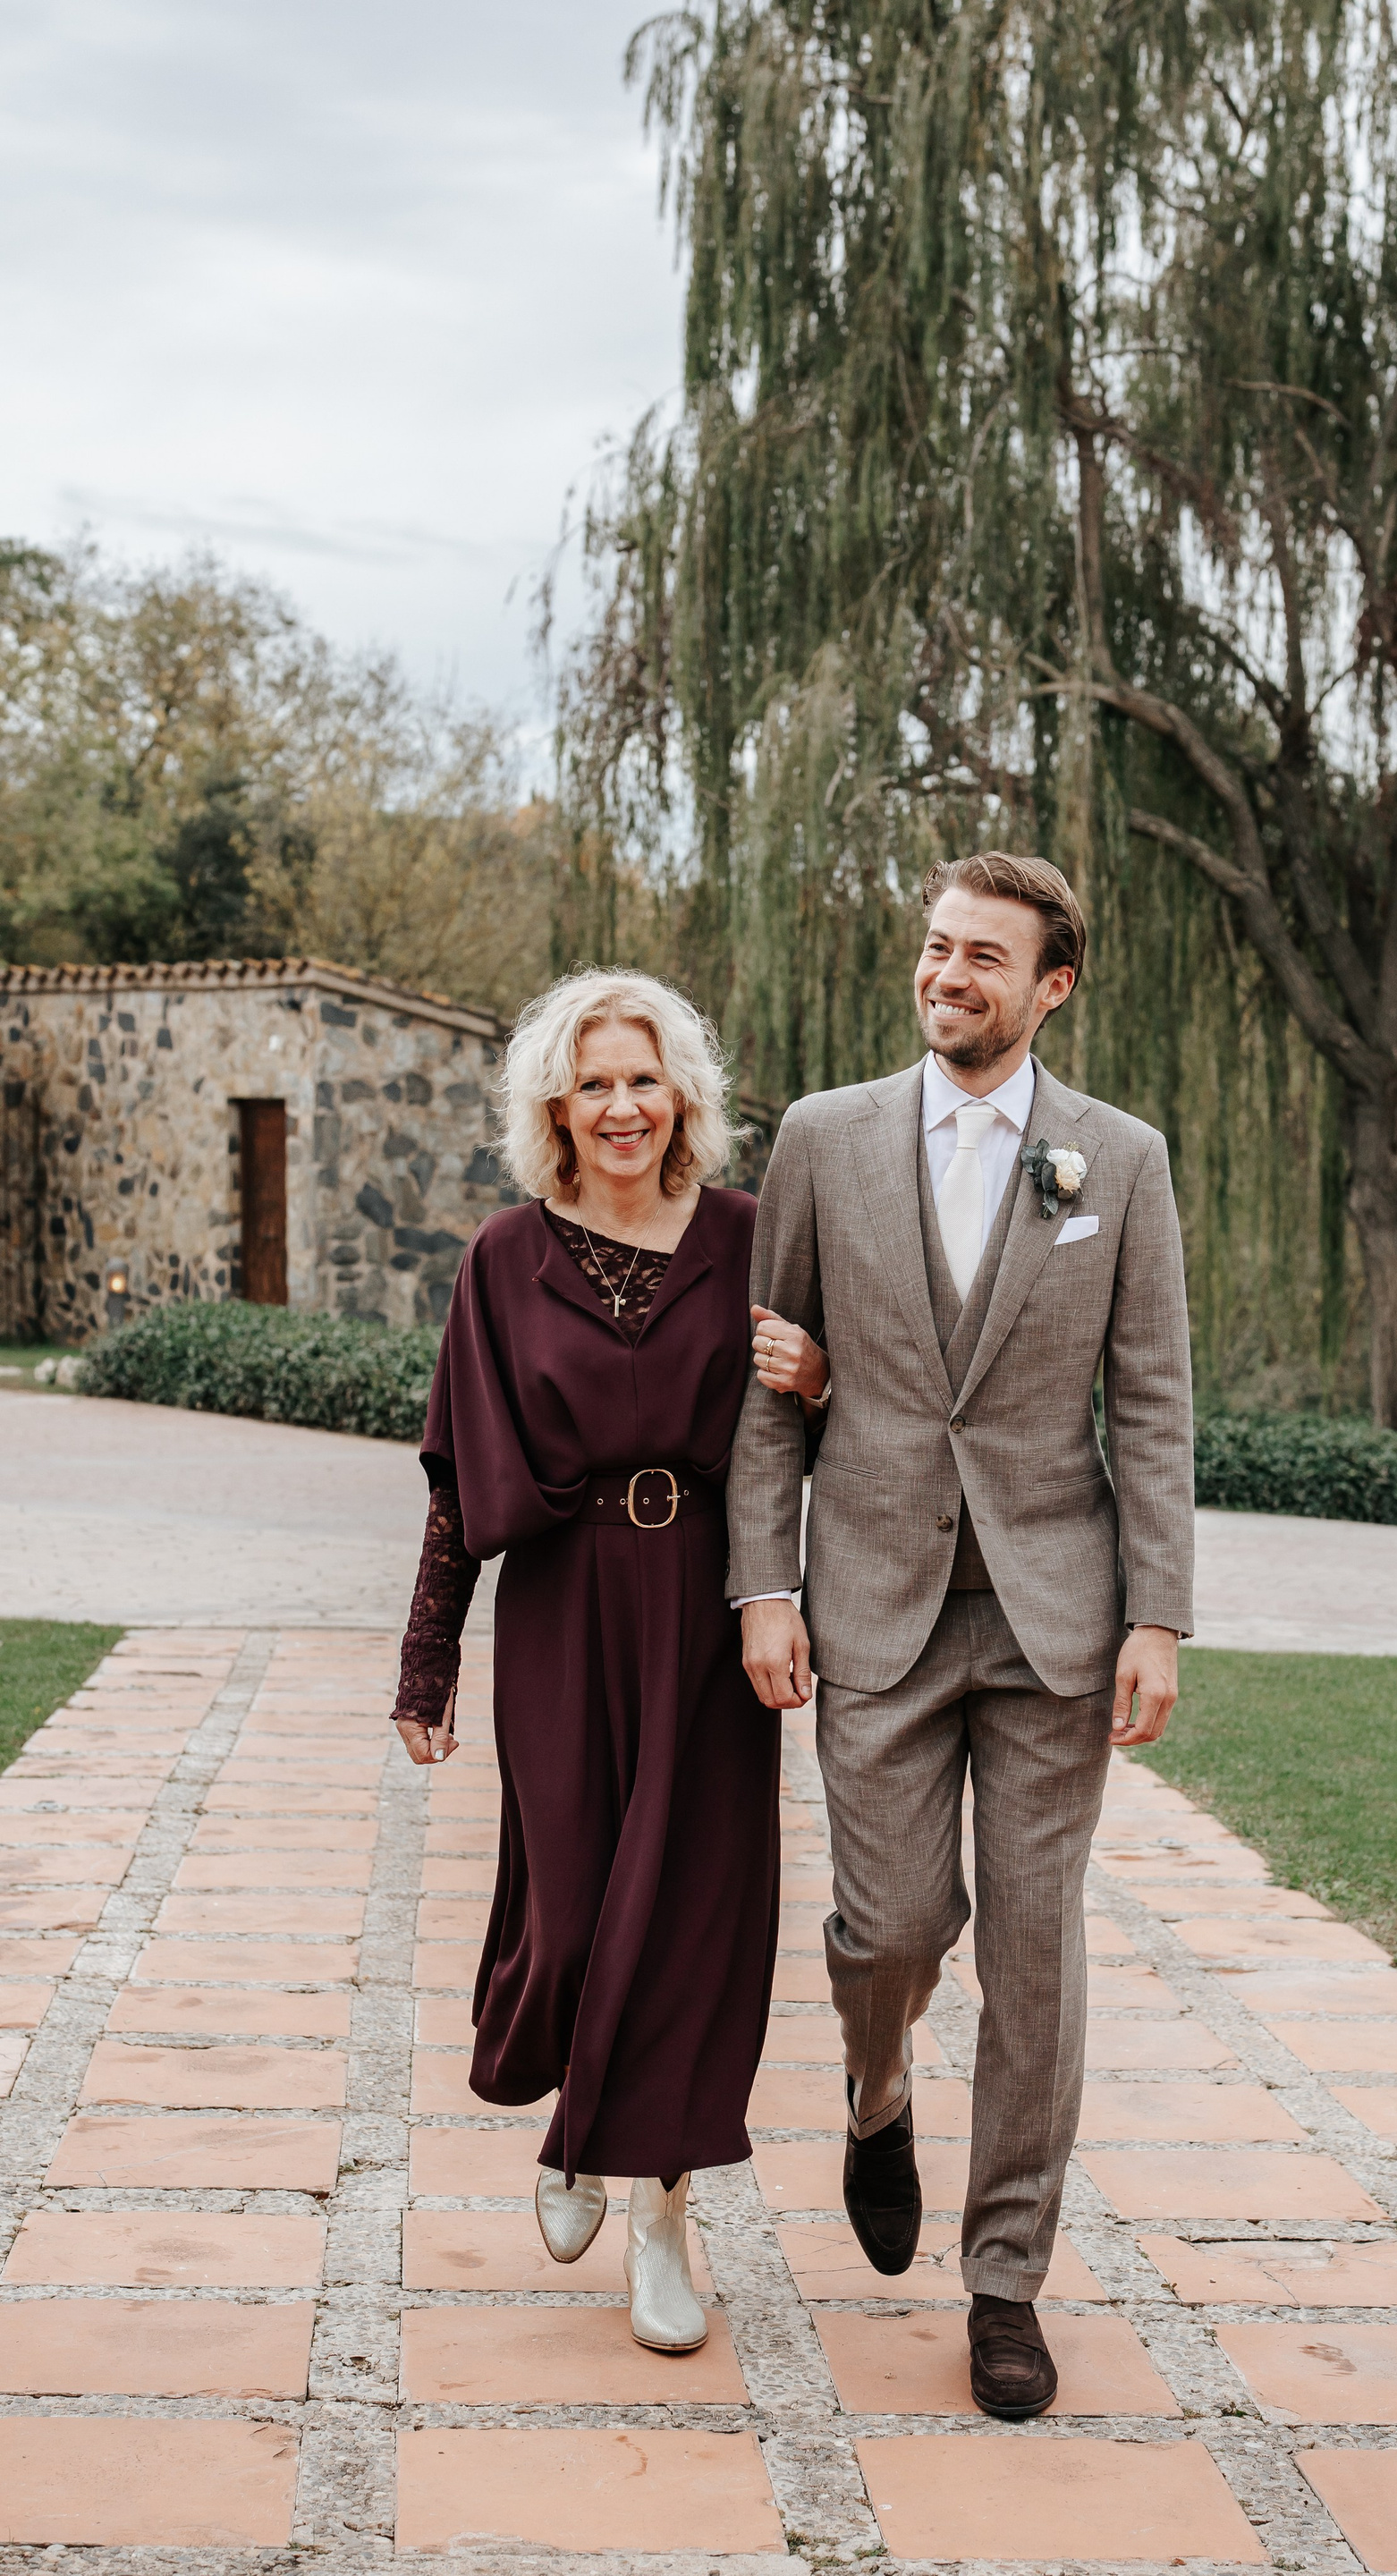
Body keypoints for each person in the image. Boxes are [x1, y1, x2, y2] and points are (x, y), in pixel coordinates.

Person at [727, 852, 1195, 2419]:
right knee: (893, 1930)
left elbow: (1152, 1401)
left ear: (1052, 987)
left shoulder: (1120, 1160)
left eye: (986, 956)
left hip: (1056, 1615)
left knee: (1035, 1959)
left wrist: (1159, 1615)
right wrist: (765, 1584)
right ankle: (877, 2085)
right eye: (938, 946)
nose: (949, 975)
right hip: (874, 1601)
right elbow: (770, 1374)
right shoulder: (823, 1136)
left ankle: (1006, 2284)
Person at [390, 968, 826, 2352]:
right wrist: (425, 1662)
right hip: (563, 1607)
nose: (623, 1106)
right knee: (573, 1912)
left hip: (709, 1608)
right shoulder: (501, 1258)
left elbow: (823, 1428)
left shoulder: (751, 1238)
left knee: (685, 1925)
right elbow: (457, 1472)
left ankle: (660, 2222)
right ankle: (579, 2120)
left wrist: (818, 1380)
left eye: (645, 1079)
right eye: (596, 1084)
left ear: (682, 1097)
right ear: (558, 1109)